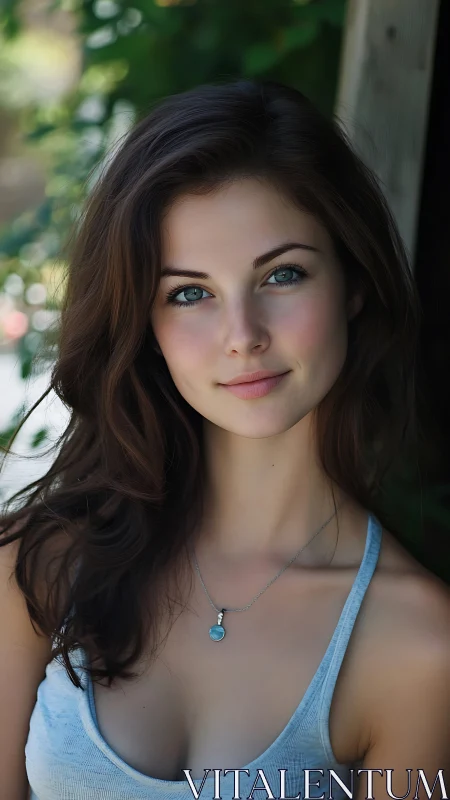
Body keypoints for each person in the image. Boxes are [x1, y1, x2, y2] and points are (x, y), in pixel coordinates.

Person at [0, 79, 449, 800]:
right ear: (144, 322)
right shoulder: (39, 568)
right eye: (189, 293)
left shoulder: (420, 648)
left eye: (283, 275)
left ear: (353, 283)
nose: (243, 336)